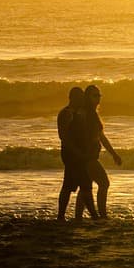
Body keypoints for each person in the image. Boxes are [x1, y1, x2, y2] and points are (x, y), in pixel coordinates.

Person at [83, 84, 122, 218]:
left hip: (89, 156)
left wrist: (114, 154)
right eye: (95, 95)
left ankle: (78, 217)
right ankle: (102, 214)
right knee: (104, 183)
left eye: (99, 95)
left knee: (85, 187)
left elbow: (102, 137)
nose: (98, 98)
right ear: (87, 97)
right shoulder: (87, 114)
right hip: (88, 157)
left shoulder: (93, 113)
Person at [57, 86, 96, 221]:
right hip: (72, 155)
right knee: (85, 185)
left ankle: (61, 216)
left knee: (69, 185)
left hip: (78, 154)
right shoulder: (66, 113)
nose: (82, 101)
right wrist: (77, 152)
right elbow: (63, 136)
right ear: (72, 98)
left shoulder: (79, 113)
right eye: (79, 98)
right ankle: (94, 215)